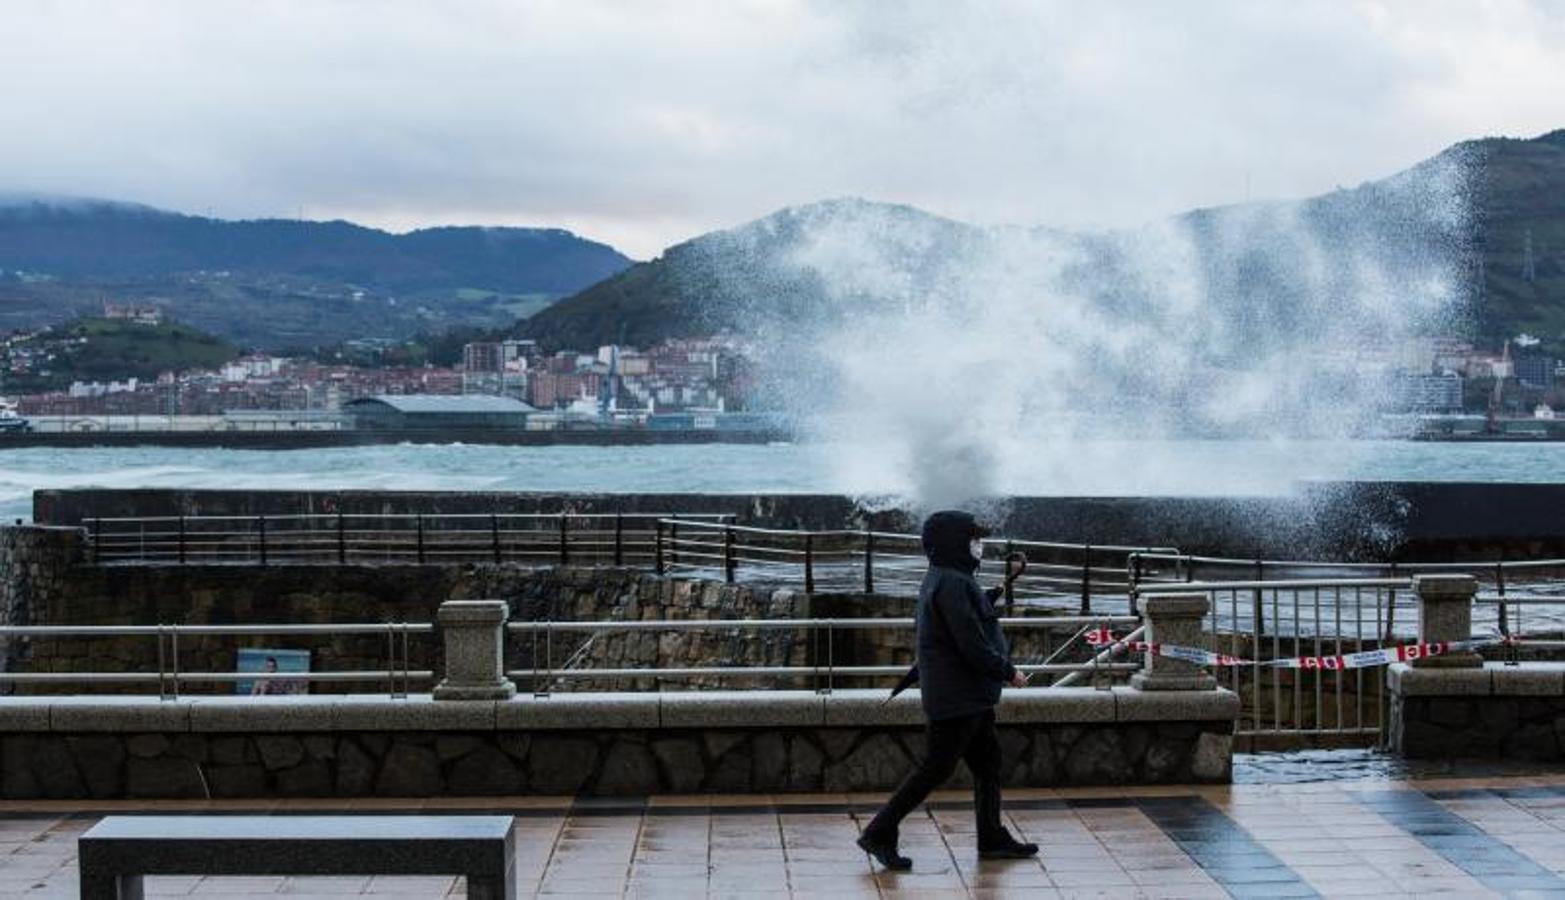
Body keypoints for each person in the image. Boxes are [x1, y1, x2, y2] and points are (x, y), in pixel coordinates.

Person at [857, 509, 1040, 870]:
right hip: (958, 699)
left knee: (988, 765)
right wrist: (1009, 671)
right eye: (973, 538)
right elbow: (969, 643)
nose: (979, 545)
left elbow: (959, 622)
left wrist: (982, 599)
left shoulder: (946, 578)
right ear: (954, 543)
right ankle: (879, 831)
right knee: (935, 768)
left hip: (968, 697)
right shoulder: (953, 583)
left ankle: (992, 837)